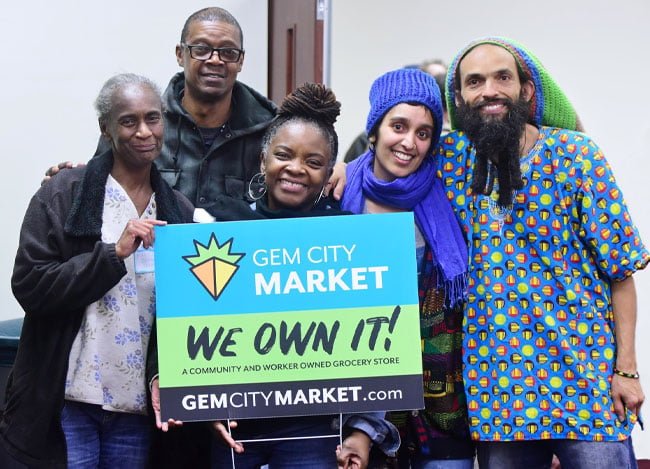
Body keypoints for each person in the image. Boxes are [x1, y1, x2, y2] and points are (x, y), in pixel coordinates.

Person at [150, 83, 399, 469]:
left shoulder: (350, 238)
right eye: (284, 155)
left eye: (314, 162)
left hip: (315, 431)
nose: (296, 168)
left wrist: (363, 430)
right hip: (234, 427)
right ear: (264, 158)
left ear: (328, 170)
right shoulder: (215, 225)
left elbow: (378, 350)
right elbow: (184, 325)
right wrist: (201, 403)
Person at [439, 36, 647, 468]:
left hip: (588, 386)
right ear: (458, 99)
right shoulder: (449, 161)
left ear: (526, 90)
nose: (489, 90)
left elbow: (621, 272)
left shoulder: (577, 156)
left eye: (502, 77)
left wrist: (626, 370)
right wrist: (347, 169)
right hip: (498, 393)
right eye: (474, 82)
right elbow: (388, 162)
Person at [0, 73, 194, 468]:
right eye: (128, 121)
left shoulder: (179, 212)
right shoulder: (64, 192)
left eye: (153, 118)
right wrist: (113, 254)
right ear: (106, 128)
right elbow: (30, 284)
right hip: (67, 400)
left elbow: (183, 315)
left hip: (136, 408)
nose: (144, 131)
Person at [46, 7, 347, 204]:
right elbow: (102, 190)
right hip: (152, 278)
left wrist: (346, 168)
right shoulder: (142, 126)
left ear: (240, 61)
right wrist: (69, 182)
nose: (215, 60)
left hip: (239, 282)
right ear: (180, 54)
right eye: (201, 49)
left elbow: (308, 177)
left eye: (227, 52)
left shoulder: (270, 127)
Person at [341, 68, 475, 468]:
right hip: (358, 411)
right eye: (398, 126)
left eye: (423, 133)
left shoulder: (451, 194)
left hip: (442, 408)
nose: (408, 142)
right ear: (375, 130)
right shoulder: (335, 194)